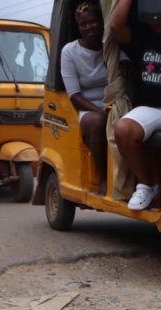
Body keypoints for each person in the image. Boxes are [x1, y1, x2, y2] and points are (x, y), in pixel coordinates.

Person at [110, 0, 161, 211]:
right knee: (124, 129)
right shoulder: (142, 35)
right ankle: (146, 184)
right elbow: (116, 27)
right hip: (153, 108)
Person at [61, 1, 109, 192]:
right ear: (78, 27)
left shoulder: (110, 45)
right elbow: (74, 95)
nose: (89, 27)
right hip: (86, 108)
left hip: (113, 102)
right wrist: (102, 112)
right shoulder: (69, 52)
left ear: (100, 21)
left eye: (92, 22)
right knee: (98, 123)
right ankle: (103, 177)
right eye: (83, 24)